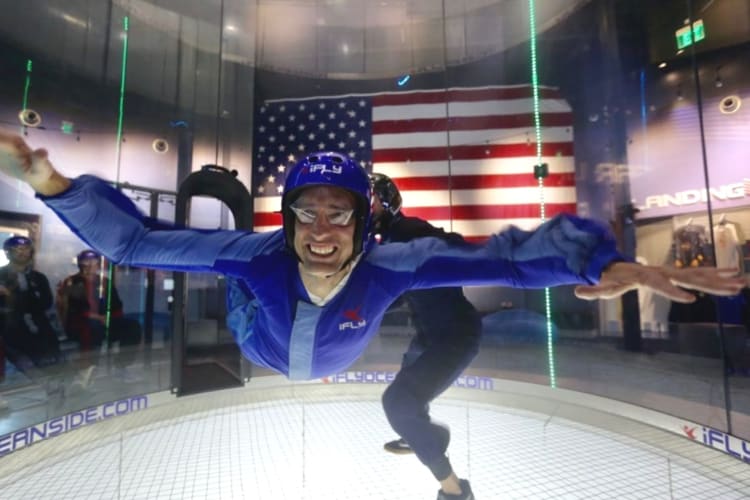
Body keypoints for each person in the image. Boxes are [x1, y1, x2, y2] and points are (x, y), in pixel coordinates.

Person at [0, 132, 746, 499]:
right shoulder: (259, 254)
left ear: (363, 225)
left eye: (339, 217)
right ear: (287, 220)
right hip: (260, 338)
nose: (321, 234)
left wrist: (599, 262)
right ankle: (237, 294)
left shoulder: (395, 265)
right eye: (306, 216)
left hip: (337, 352)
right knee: (232, 275)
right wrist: (48, 178)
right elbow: (135, 240)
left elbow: (508, 258)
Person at [371, 173, 481, 500]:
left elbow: (456, 244)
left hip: (455, 336)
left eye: (370, 199)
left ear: (388, 202)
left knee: (398, 403)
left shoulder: (406, 231)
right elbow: (393, 296)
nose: (364, 207)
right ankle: (421, 433)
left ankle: (455, 490)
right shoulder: (390, 241)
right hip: (429, 338)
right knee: (407, 398)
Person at [56, 249, 143, 383]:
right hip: (81, 323)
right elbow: (75, 309)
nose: (90, 265)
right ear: (80, 263)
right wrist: (100, 318)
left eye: (94, 261)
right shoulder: (72, 281)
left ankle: (121, 367)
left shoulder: (105, 282)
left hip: (105, 321)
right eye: (86, 261)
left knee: (133, 326)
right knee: (92, 327)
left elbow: (116, 305)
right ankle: (87, 369)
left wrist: (111, 319)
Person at [0, 235, 63, 401]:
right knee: (20, 355)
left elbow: (46, 302)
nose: (22, 253)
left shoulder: (38, 278)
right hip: (9, 327)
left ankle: (57, 388)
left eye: (26, 249)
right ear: (8, 253)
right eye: (17, 249)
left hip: (39, 325)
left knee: (51, 353)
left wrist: (15, 297)